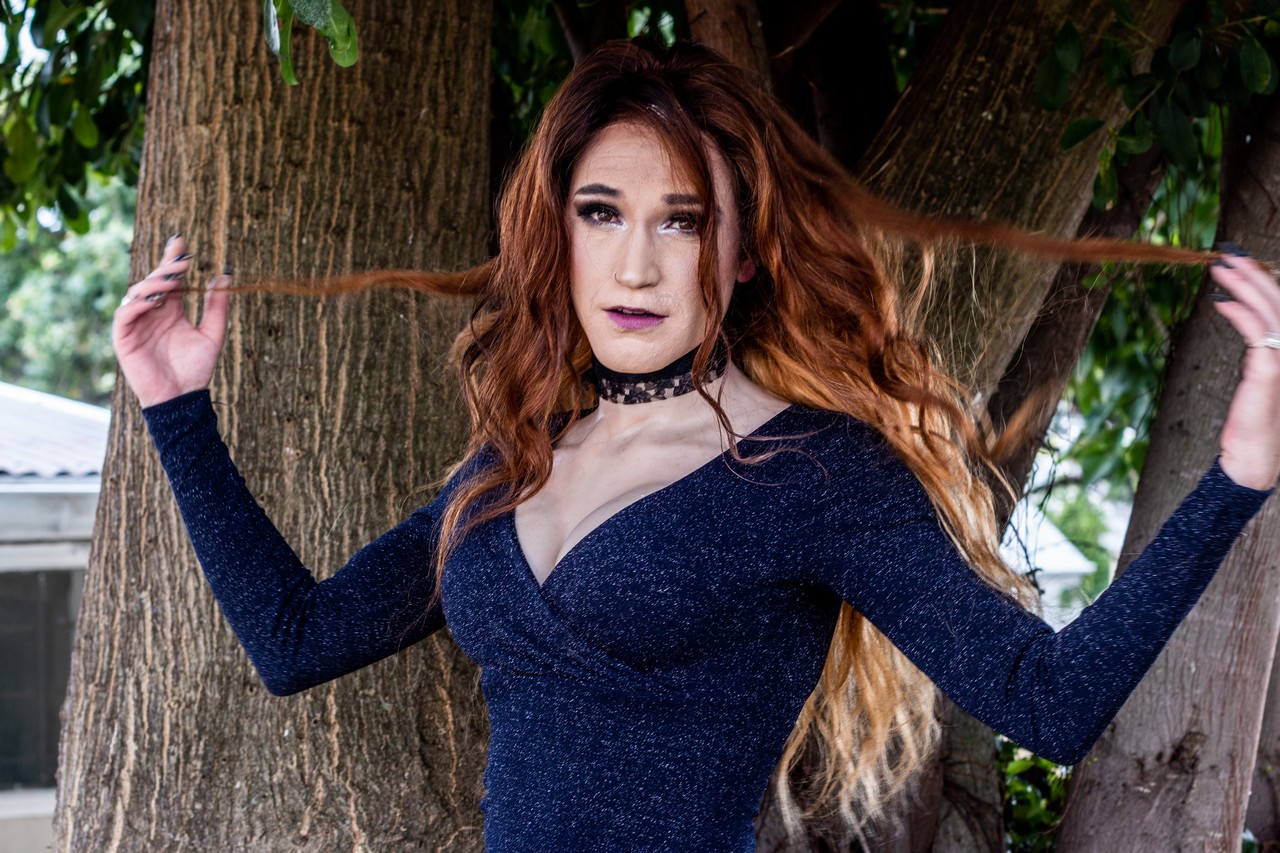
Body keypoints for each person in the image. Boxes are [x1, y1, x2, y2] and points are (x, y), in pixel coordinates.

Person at [113, 39, 1278, 851]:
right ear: (558, 232)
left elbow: (1048, 698)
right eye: (602, 213)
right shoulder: (508, 465)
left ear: (745, 250)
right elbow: (295, 639)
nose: (634, 265)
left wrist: (1233, 478)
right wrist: (176, 408)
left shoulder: (815, 471)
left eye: (682, 222)